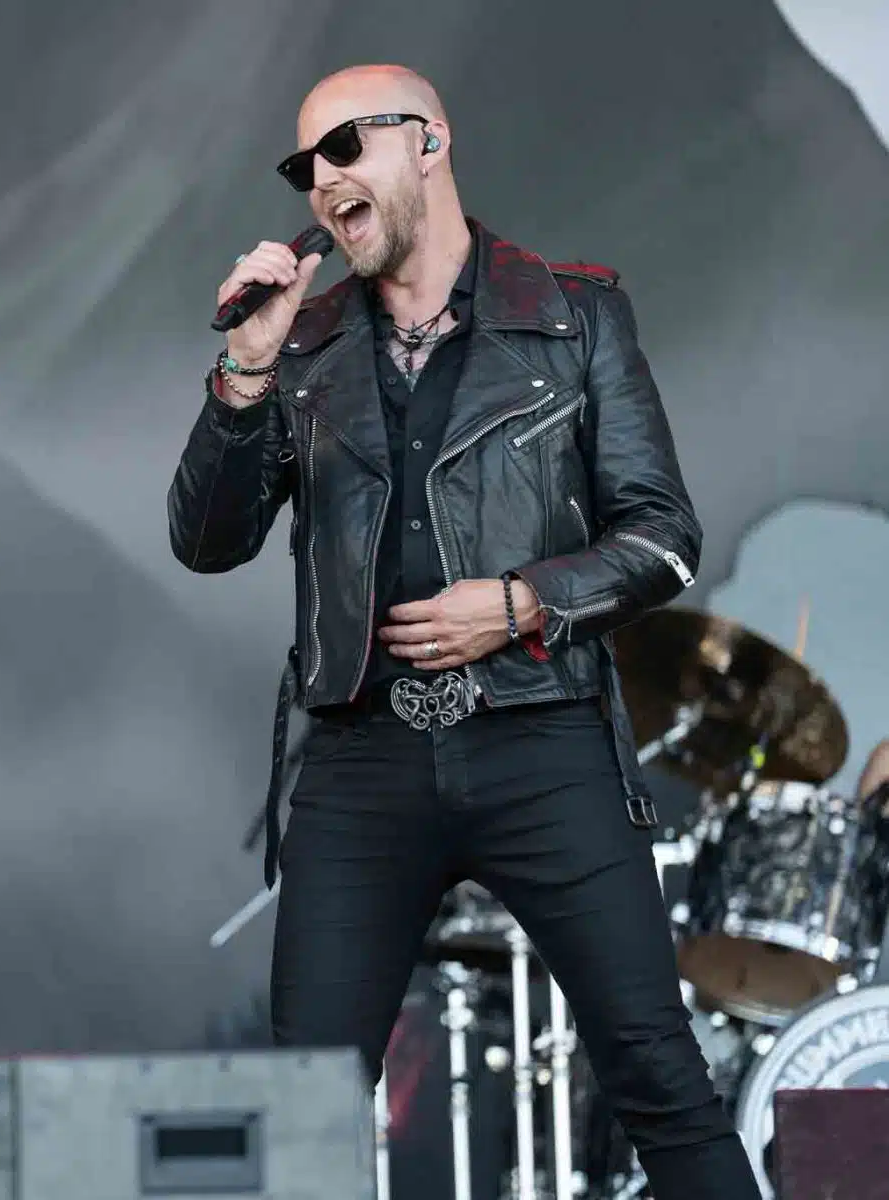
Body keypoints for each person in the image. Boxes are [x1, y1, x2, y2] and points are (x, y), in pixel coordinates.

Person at [167, 65, 760, 1196]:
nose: (322, 178)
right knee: (300, 1113)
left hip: (542, 735)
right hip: (363, 755)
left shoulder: (572, 315)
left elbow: (664, 535)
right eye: (304, 165)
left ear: (430, 143)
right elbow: (206, 540)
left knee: (658, 1078)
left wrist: (523, 602)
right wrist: (243, 371)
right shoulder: (302, 347)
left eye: (346, 146)